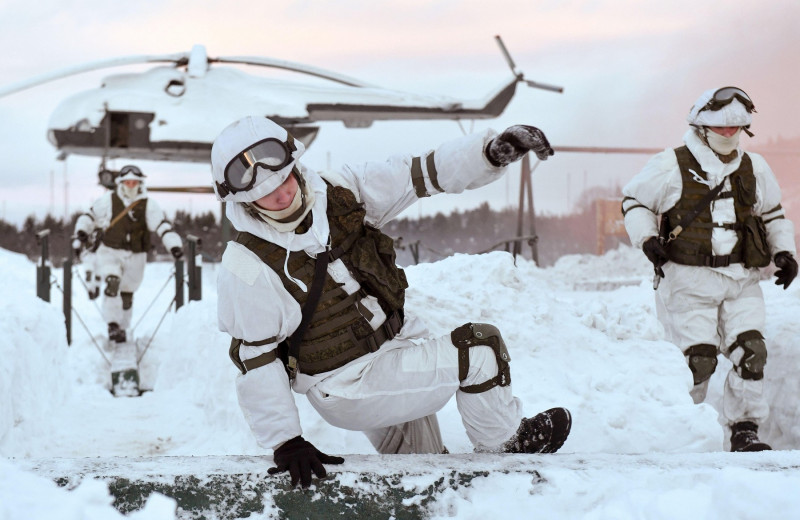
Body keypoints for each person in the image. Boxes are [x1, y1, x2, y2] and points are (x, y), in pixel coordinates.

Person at [211, 116, 572, 488]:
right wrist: (286, 442)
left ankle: (433, 504)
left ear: (295, 165)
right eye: (265, 194)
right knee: (480, 349)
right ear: (243, 200)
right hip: (347, 385)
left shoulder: (338, 192)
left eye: (285, 179)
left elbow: (418, 174)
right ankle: (506, 449)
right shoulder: (245, 265)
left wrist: (488, 155)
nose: (283, 195)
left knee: (423, 467)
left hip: (390, 353)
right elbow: (256, 356)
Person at [621, 86, 798, 452]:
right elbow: (634, 201)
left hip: (741, 280)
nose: (729, 136)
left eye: (736, 130)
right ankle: (685, 427)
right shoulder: (671, 164)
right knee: (697, 362)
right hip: (689, 280)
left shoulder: (754, 168)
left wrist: (784, 253)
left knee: (752, 352)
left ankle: (744, 431)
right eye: (722, 130)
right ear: (703, 128)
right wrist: (647, 238)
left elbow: (772, 214)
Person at [74, 165, 184, 344]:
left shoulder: (148, 205)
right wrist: (81, 232)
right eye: (127, 182)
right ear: (121, 183)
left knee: (126, 293)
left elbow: (162, 226)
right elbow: (89, 216)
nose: (131, 185)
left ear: (140, 183)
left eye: (134, 182)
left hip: (136, 255)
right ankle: (112, 325)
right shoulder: (108, 200)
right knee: (112, 283)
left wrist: (174, 245)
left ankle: (122, 327)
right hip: (109, 251)